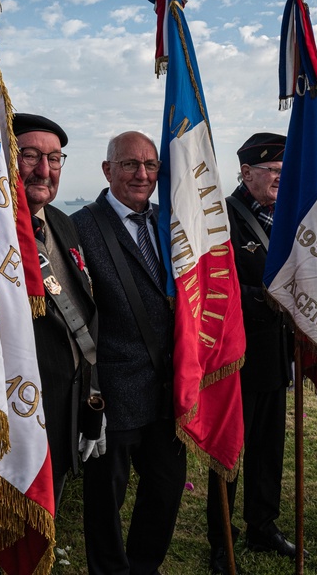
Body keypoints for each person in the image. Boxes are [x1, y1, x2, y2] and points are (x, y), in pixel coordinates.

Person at [70, 131, 186, 575]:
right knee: (105, 503)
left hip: (168, 389)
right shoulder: (79, 227)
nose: (142, 174)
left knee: (166, 490)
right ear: (107, 170)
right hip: (112, 393)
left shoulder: (171, 224)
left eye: (150, 165)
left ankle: (143, 567)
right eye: (129, 165)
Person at [205, 133, 297, 573]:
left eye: (285, 172)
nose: (282, 179)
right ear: (246, 173)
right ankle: (222, 538)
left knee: (269, 448)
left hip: (276, 352)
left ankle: (264, 524)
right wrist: (261, 297)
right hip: (235, 355)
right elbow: (209, 283)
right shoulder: (221, 216)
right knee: (229, 451)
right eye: (273, 172)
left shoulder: (291, 216)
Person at [13, 113, 100, 508]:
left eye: (55, 158)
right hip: (17, 413)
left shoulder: (63, 223)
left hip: (69, 406)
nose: (44, 170)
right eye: (29, 156)